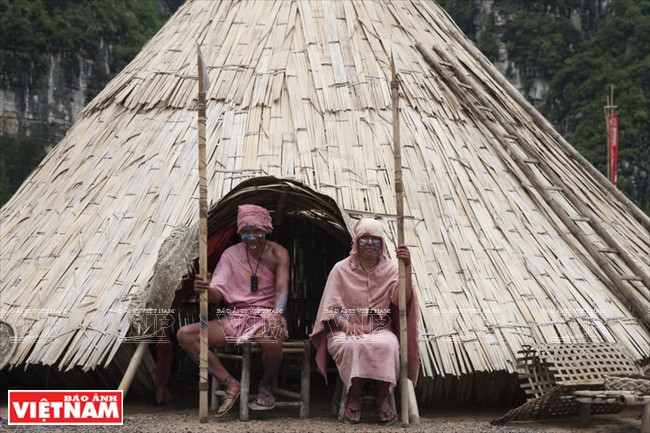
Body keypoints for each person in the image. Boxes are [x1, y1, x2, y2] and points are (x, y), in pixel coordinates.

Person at [177, 204, 290, 417]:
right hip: (236, 318)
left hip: (268, 315)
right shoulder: (230, 255)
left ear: (267, 229)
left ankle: (266, 384)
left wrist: (277, 314)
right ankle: (230, 383)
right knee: (186, 335)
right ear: (239, 233)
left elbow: (283, 288)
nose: (252, 237)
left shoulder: (279, 253)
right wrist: (205, 289)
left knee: (272, 340)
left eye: (257, 231)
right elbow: (217, 294)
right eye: (246, 232)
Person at [310, 218, 419, 426]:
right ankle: (355, 396)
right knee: (351, 345)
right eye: (364, 238)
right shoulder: (340, 269)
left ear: (382, 243)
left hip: (379, 328)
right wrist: (347, 325)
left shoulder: (392, 269)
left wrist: (407, 266)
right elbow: (330, 309)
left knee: (388, 345)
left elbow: (401, 300)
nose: (369, 243)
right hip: (344, 328)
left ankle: (382, 396)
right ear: (356, 242)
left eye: (375, 239)